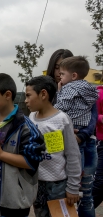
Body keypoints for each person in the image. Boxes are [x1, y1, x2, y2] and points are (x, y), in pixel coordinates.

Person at [0, 73, 45, 217]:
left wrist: (0, 154)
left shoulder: (26, 127)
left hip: (14, 199)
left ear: (7, 95)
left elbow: (31, 162)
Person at [46, 49, 97, 217]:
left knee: (82, 194)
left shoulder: (68, 90)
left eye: (64, 70)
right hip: (58, 148)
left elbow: (93, 117)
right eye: (58, 68)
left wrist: (79, 136)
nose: (60, 74)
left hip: (82, 142)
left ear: (74, 74)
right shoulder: (46, 89)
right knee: (61, 195)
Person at [25, 76, 82, 217]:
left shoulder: (61, 119)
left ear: (43, 94)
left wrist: (73, 187)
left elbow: (73, 154)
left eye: (28, 95)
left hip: (58, 185)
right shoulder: (31, 118)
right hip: (37, 184)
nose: (25, 100)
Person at [92, 85, 103, 208]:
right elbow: (94, 116)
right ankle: (81, 211)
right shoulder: (99, 93)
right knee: (100, 181)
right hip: (101, 141)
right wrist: (101, 118)